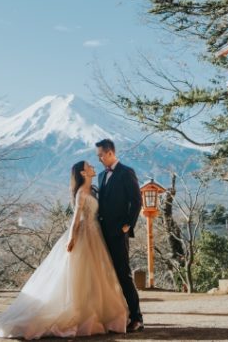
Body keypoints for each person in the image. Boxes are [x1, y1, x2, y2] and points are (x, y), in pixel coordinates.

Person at [0, 160, 129, 339]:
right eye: (88, 166)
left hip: (96, 236)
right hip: (84, 236)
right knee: (81, 275)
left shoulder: (93, 191)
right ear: (83, 173)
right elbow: (76, 219)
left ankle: (96, 313)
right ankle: (82, 313)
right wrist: (71, 239)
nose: (92, 166)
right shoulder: (80, 194)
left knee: (95, 276)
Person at [95, 138, 144, 333]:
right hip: (101, 232)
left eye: (100, 155)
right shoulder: (100, 175)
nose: (99, 159)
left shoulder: (126, 172)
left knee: (124, 274)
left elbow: (136, 200)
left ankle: (137, 317)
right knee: (106, 274)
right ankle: (115, 316)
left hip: (118, 232)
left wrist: (127, 226)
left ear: (109, 153)